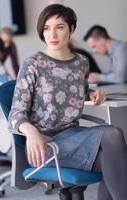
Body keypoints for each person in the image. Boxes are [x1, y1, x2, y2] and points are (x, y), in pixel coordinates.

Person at [8, 4, 127, 200]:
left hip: (74, 135)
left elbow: (77, 88)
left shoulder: (81, 62)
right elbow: (16, 112)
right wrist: (30, 131)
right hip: (45, 144)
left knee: (115, 149)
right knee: (115, 142)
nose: (52, 33)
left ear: (71, 29)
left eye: (60, 27)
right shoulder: (33, 64)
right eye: (47, 27)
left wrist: (91, 94)